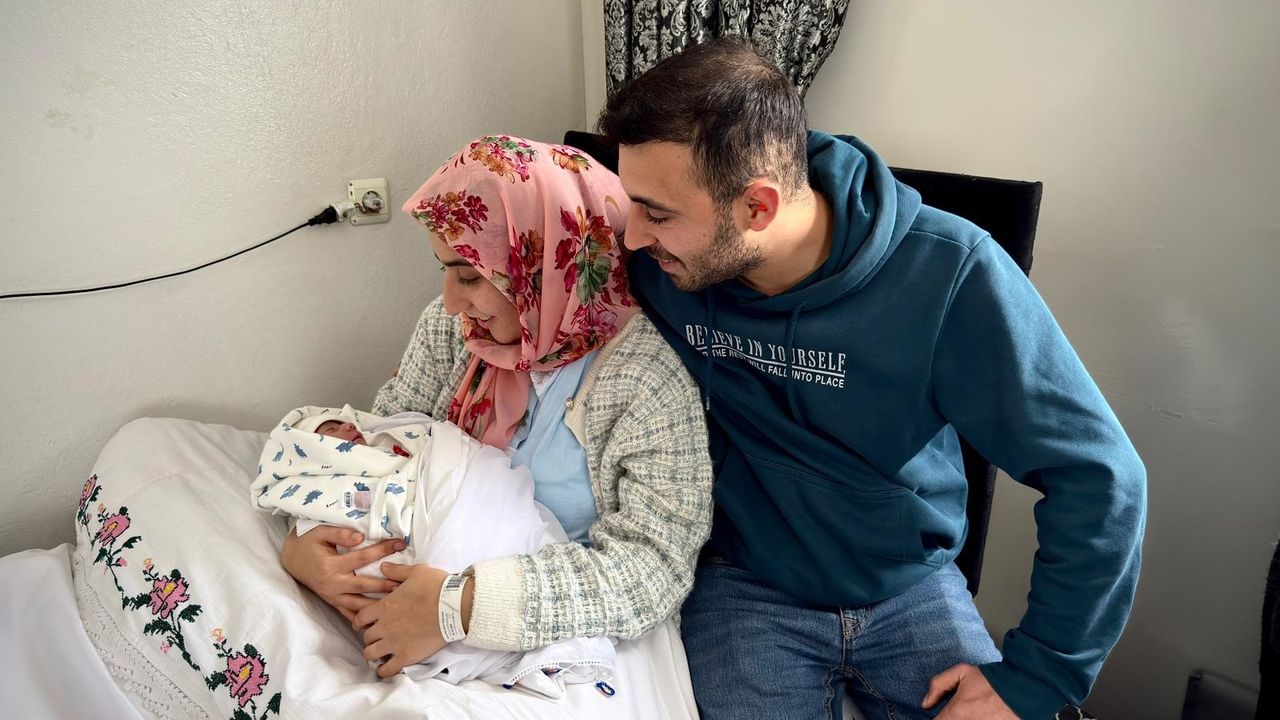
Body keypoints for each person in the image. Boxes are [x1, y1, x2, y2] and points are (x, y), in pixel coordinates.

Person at [597, 38, 1147, 720]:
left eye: (656, 212)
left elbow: (1100, 475)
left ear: (758, 207)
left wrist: (1037, 677)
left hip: (909, 585)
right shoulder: (663, 267)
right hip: (745, 583)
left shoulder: (950, 273)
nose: (631, 236)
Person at [277, 135, 714, 682]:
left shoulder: (646, 379)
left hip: (558, 627)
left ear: (545, 265)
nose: (451, 301)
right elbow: (379, 447)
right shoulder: (452, 331)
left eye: (469, 276)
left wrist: (459, 608)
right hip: (407, 592)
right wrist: (306, 542)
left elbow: (653, 569)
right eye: (445, 270)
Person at [254, 404, 616, 696]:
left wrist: (455, 607)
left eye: (342, 423)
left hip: (503, 531)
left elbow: (639, 576)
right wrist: (299, 545)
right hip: (422, 540)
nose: (349, 427)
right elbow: (393, 415)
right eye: (330, 431)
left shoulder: (639, 383)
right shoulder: (451, 337)